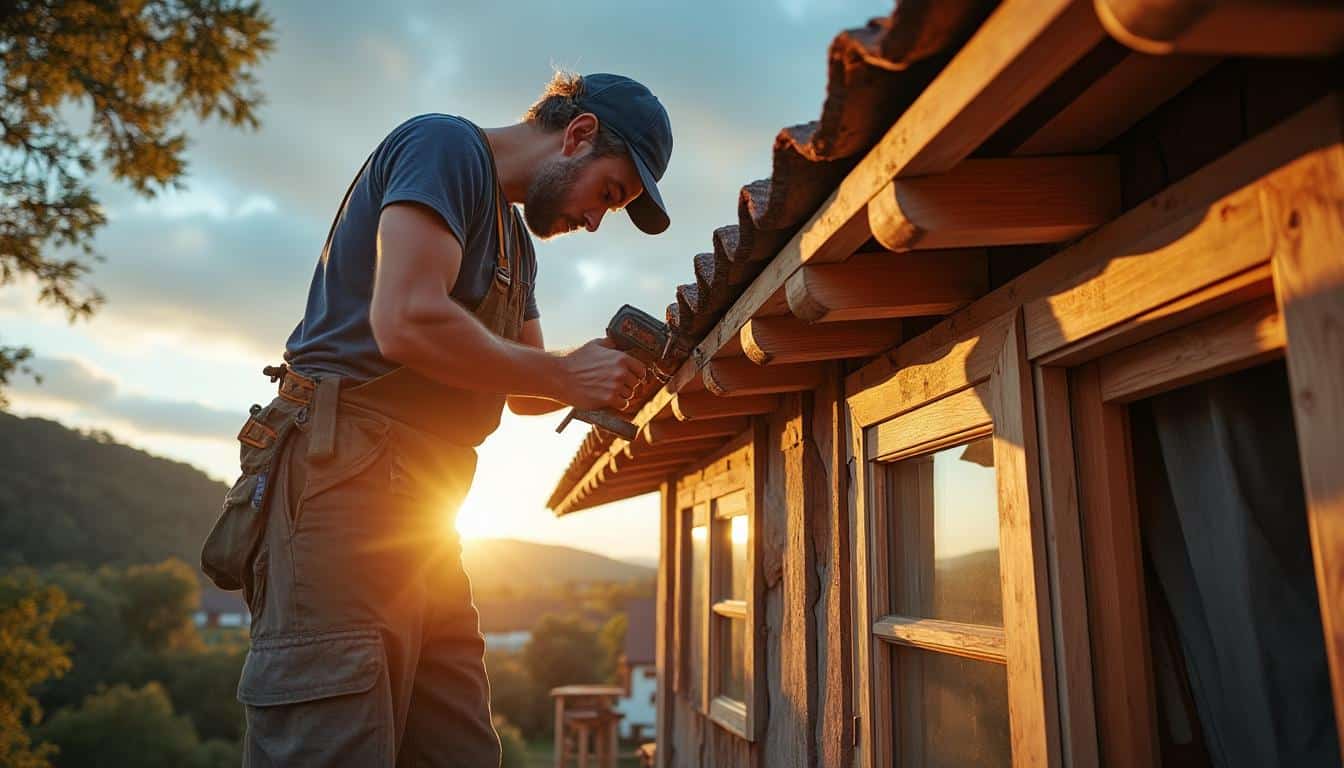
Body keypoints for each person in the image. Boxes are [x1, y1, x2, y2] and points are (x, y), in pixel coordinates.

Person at [200, 71, 673, 767]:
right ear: (578, 134)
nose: (596, 220)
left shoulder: (519, 247)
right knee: (332, 744)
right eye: (607, 193)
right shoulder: (444, 148)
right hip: (344, 489)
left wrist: (601, 374)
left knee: (459, 748)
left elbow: (527, 387)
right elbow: (407, 320)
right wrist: (566, 373)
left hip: (425, 513)